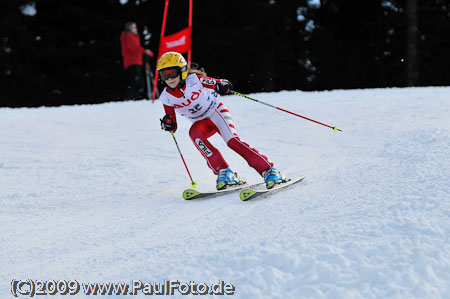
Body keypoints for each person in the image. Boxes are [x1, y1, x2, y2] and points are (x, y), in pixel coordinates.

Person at [157, 51, 287, 190]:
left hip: (216, 113)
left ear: (182, 71)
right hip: (202, 123)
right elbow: (172, 123)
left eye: (172, 73)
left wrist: (222, 85)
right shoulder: (167, 97)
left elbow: (216, 83)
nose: (169, 78)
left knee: (232, 141)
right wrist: (169, 124)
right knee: (194, 134)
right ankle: (224, 172)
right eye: (165, 75)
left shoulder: (195, 80)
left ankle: (269, 170)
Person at [120, 21, 154, 100]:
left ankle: (132, 98)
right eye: (134, 27)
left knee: (138, 82)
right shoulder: (129, 36)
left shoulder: (133, 36)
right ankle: (129, 98)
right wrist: (145, 51)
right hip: (132, 62)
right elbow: (134, 48)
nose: (136, 29)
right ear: (130, 29)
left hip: (136, 61)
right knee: (135, 81)